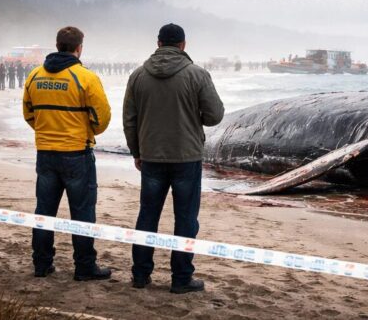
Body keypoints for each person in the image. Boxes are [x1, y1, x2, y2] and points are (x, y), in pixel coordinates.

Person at [123, 23, 224, 293]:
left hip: (151, 157)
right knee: (186, 219)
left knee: (147, 216)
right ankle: (181, 279)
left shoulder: (137, 76)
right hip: (186, 158)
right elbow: (214, 116)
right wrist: (193, 116)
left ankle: (140, 275)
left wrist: (136, 152)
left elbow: (129, 121)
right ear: (183, 44)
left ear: (158, 43)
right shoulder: (197, 74)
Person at [23, 26, 111, 280]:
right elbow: (102, 118)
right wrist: (85, 130)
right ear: (79, 47)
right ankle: (84, 267)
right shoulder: (85, 77)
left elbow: (29, 113)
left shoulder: (35, 76)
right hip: (76, 153)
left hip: (45, 152)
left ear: (57, 44)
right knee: (82, 212)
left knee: (44, 210)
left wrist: (47, 129)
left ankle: (41, 264)